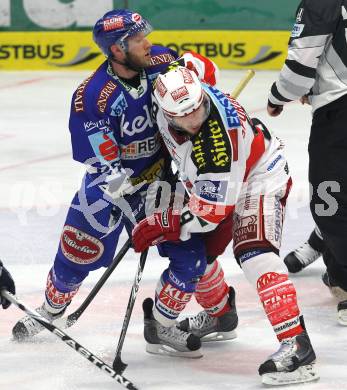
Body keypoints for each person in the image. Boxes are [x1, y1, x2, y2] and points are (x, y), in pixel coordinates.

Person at [11, 9, 238, 355]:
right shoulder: (93, 96)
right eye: (137, 39)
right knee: (76, 252)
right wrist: (124, 189)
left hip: (161, 184)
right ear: (117, 49)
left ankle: (164, 324)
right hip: (108, 190)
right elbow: (103, 162)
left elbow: (199, 78)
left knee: (192, 256)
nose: (147, 43)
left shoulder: (162, 60)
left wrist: (198, 72)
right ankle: (51, 309)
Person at [131, 65, 319, 385]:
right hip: (208, 183)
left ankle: (297, 346)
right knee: (198, 254)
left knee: (254, 253)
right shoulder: (178, 90)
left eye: (199, 109)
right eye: (186, 115)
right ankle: (220, 316)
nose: (196, 119)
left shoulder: (219, 147)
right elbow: (200, 64)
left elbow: (211, 214)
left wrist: (164, 222)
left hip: (257, 177)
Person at [267, 0, 347, 326]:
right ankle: (321, 242)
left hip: (339, 115)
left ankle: (342, 278)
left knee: (330, 201)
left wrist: (277, 96)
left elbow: (299, 69)